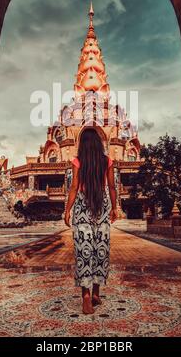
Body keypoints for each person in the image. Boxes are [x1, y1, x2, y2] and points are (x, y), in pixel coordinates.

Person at [64, 128, 118, 314]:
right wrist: (115, 207)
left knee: (84, 250)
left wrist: (67, 210)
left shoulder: (78, 161)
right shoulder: (107, 162)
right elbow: (111, 187)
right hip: (101, 206)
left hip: (82, 206)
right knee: (100, 249)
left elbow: (74, 187)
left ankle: (86, 296)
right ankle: (96, 293)